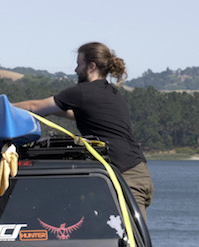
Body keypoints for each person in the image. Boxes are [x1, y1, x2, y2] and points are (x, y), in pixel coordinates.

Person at [14, 42, 153, 219]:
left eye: (79, 64)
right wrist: (50, 110)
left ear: (91, 66)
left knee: (135, 243)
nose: (75, 69)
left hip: (127, 176)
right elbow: (82, 115)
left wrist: (2, 107)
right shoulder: (111, 93)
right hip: (138, 170)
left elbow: (34, 106)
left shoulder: (82, 92)